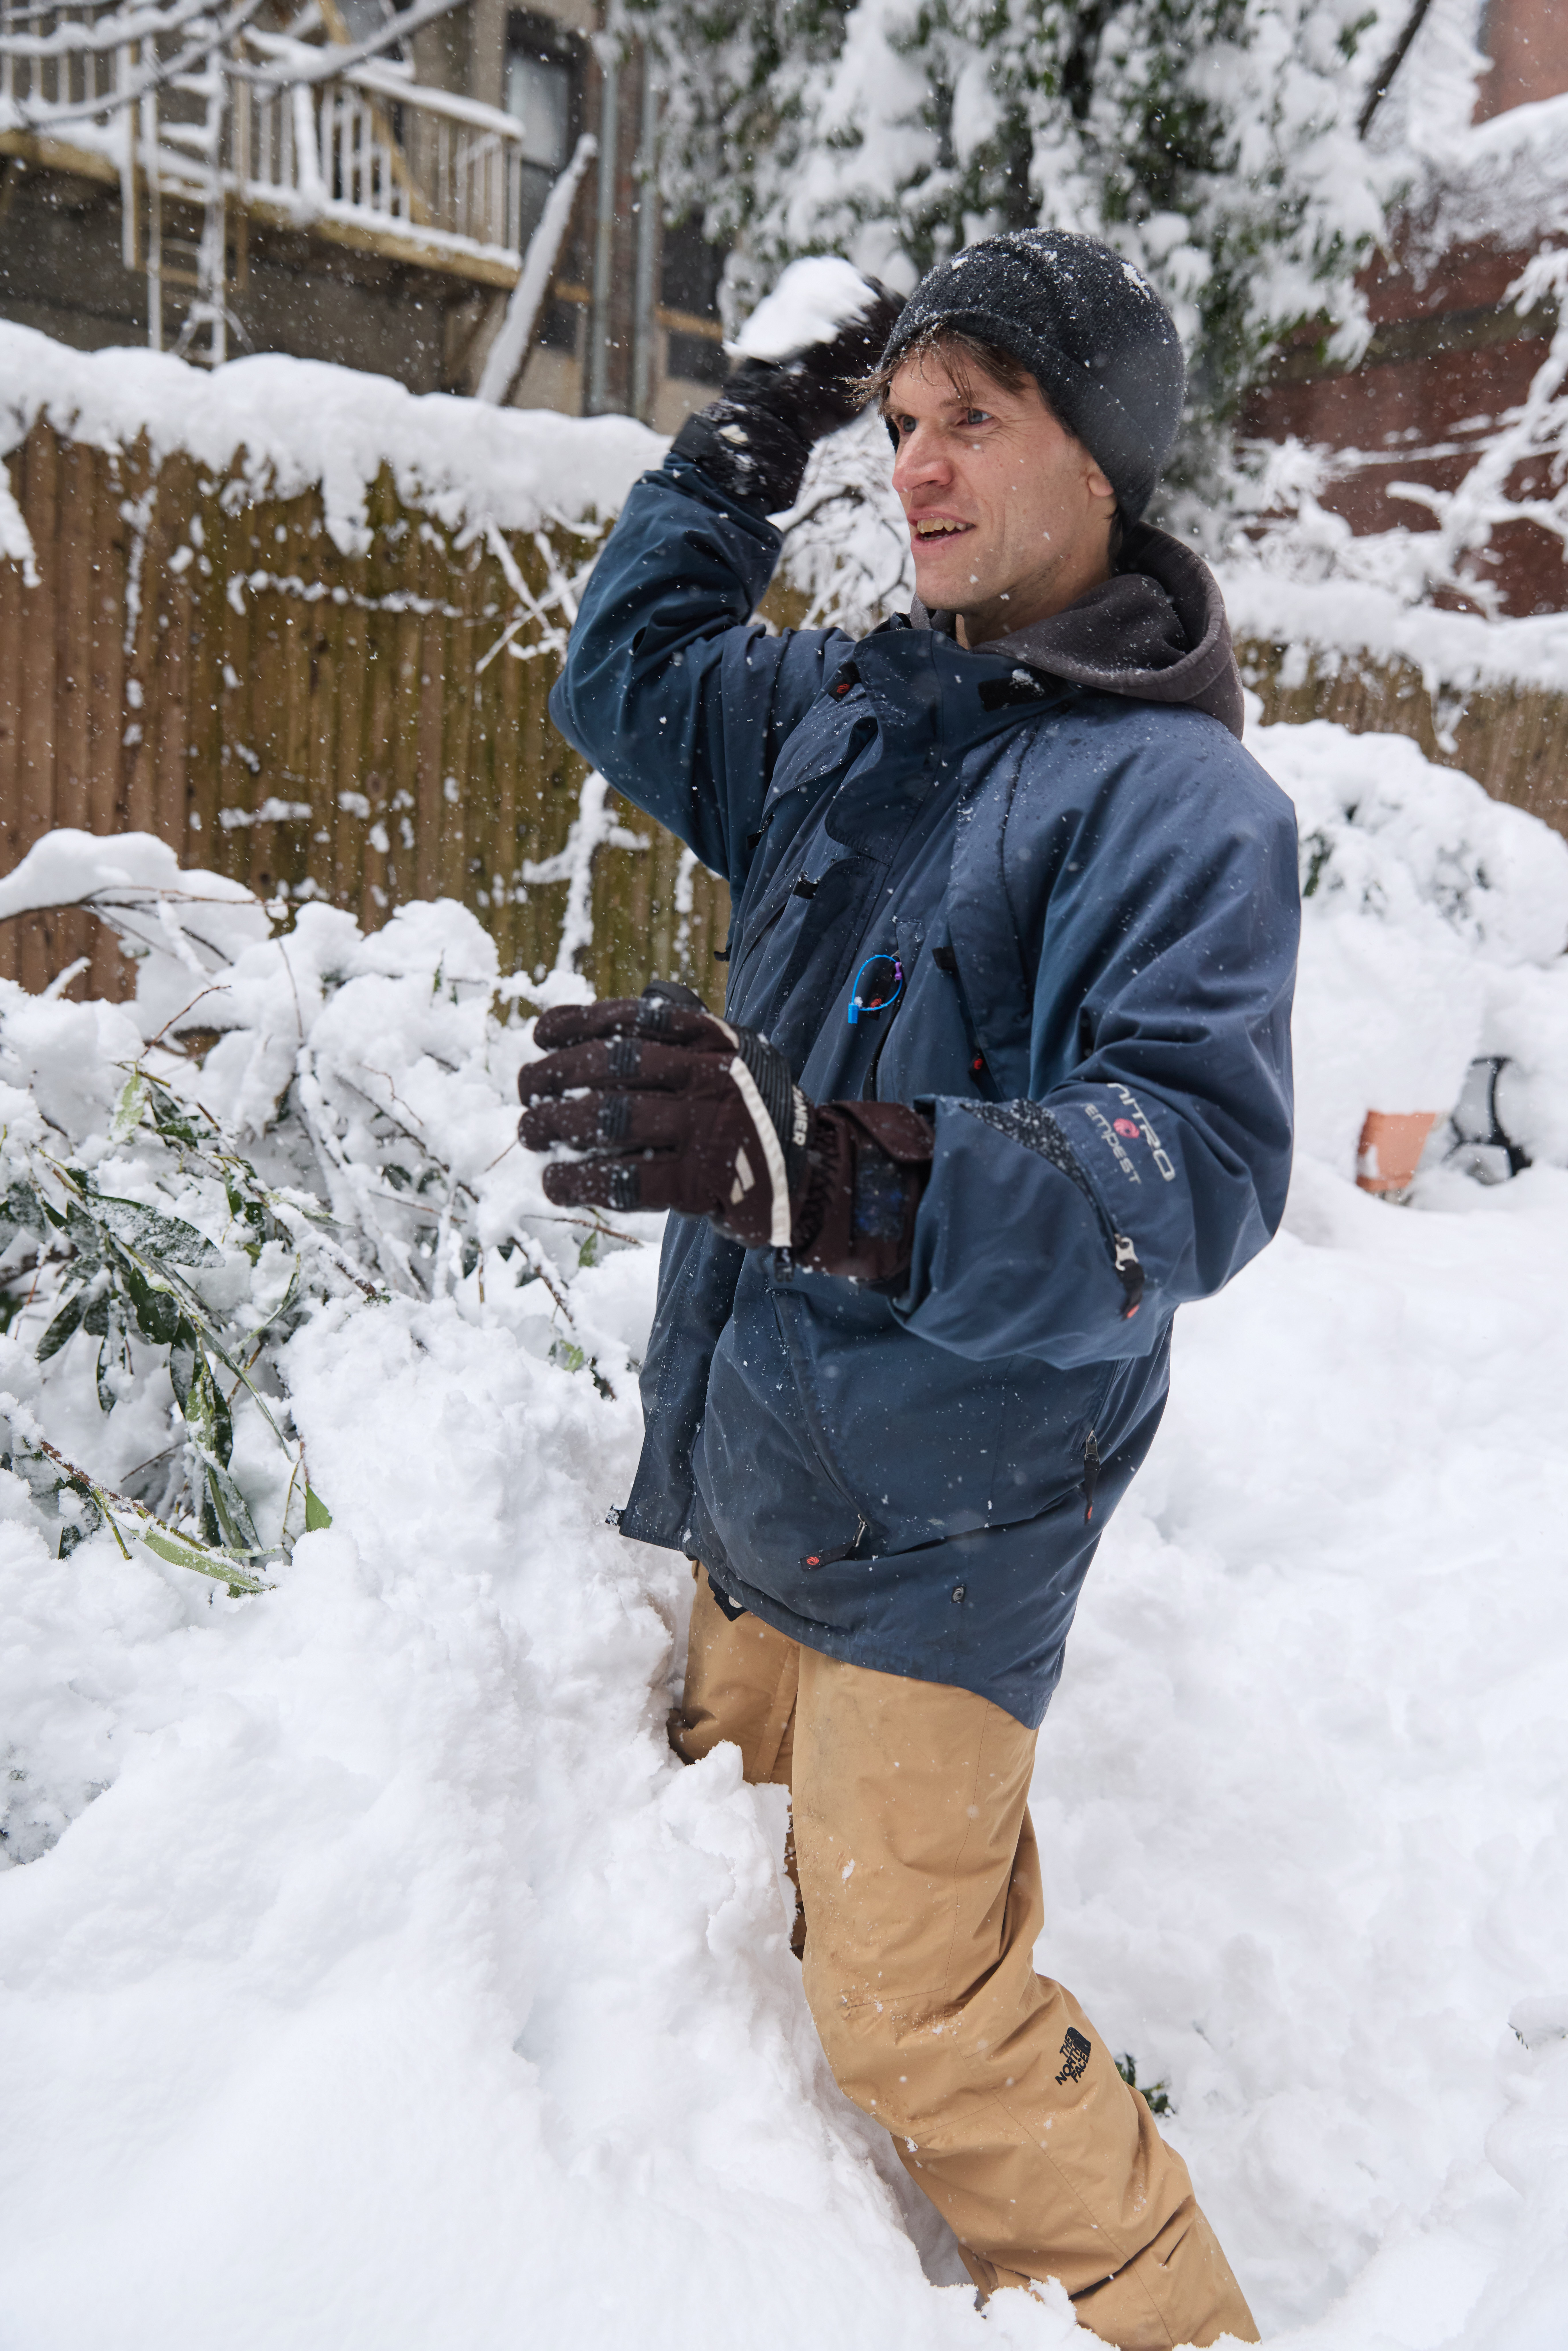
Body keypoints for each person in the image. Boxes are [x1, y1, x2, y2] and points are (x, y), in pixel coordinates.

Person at [520, 230, 1297, 2347]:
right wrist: (746, 433)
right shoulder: (851, 711)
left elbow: (1194, 1167)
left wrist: (842, 1173)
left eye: (976, 421)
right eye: (895, 426)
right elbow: (625, 669)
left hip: (951, 1531)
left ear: (1103, 466)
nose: (918, 471)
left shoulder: (1178, 804)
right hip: (754, 1480)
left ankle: (1172, 2318)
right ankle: (800, 2268)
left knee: (909, 2015)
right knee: (722, 1915)